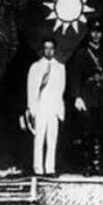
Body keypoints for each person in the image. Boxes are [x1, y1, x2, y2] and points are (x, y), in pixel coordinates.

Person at [69, 18, 103, 176]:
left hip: (102, 97)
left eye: (99, 32)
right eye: (94, 32)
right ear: (89, 33)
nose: (96, 35)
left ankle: (99, 165)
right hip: (87, 96)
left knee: (101, 132)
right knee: (87, 132)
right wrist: (77, 97)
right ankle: (88, 166)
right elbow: (75, 76)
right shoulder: (82, 53)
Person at [26, 37, 66, 176]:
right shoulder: (35, 67)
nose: (49, 51)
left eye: (51, 48)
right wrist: (32, 109)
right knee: (39, 139)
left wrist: (59, 110)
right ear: (42, 50)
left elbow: (61, 89)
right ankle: (38, 169)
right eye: (46, 48)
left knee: (52, 140)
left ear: (55, 50)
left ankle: (50, 169)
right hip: (40, 107)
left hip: (53, 107)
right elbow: (31, 89)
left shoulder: (60, 68)